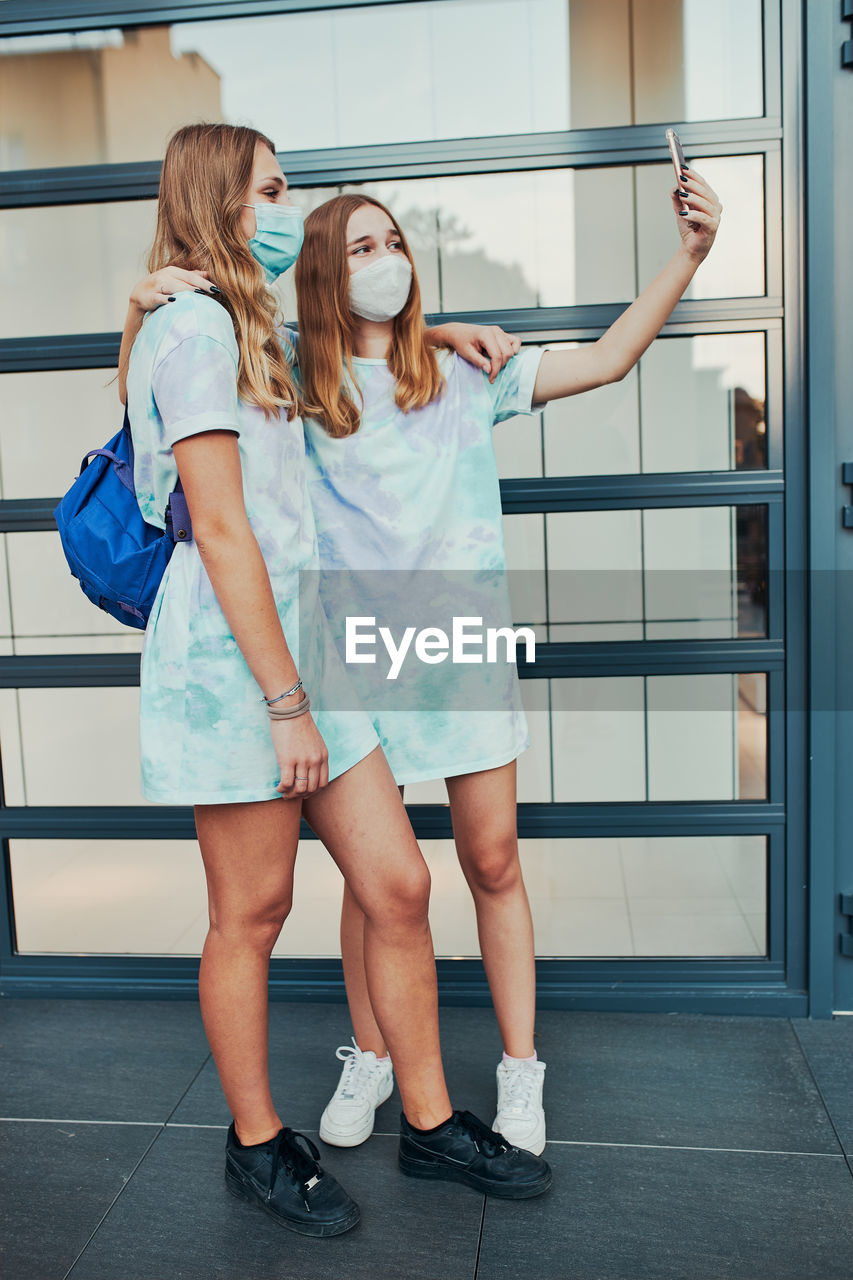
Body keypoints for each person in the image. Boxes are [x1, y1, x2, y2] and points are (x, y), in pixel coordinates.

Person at [122, 121, 552, 1240]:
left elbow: (342, 350)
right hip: (240, 667)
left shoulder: (242, 323)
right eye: (270, 188)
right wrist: (284, 703)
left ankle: (426, 1118)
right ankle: (258, 1143)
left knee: (397, 885)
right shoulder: (192, 331)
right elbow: (217, 526)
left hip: (317, 645)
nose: (286, 204)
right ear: (220, 200)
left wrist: (431, 325)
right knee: (252, 910)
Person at [289, 168, 721, 1157]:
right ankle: (372, 1051)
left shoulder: (464, 376)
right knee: (373, 883)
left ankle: (519, 1072)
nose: (385, 259)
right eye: (360, 247)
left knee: (492, 858)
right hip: (356, 665)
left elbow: (610, 359)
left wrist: (689, 256)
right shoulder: (298, 394)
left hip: (461, 657)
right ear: (322, 272)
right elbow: (209, 364)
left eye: (393, 240)